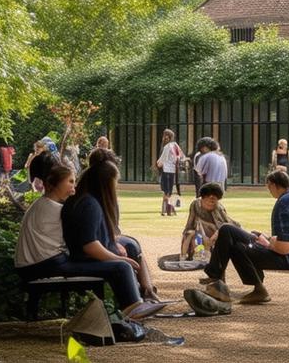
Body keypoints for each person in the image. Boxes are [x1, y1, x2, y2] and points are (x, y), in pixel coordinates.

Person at [18, 165, 165, 320]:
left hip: (36, 264)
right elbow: (87, 243)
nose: (73, 187)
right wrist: (118, 257)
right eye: (70, 181)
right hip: (45, 265)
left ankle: (142, 298)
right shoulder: (59, 209)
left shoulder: (47, 204)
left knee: (128, 248)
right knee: (121, 267)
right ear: (55, 183)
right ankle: (133, 309)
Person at [203, 170, 289, 305]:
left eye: (268, 187)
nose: (269, 190)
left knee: (226, 230)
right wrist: (266, 240)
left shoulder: (283, 204)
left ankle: (215, 279)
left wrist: (267, 243)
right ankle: (256, 288)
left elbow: (284, 249)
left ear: (273, 185)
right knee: (240, 242)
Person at [61, 160, 161, 304]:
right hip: (85, 258)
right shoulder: (89, 205)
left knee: (131, 244)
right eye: (115, 182)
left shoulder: (88, 199)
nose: (116, 186)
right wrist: (118, 258)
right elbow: (90, 246)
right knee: (123, 267)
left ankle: (147, 291)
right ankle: (133, 305)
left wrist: (114, 243)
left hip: (90, 251)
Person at [181, 182, 241, 259]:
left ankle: (210, 254)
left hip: (215, 234)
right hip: (199, 232)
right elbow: (190, 224)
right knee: (191, 234)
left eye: (213, 201)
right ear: (202, 198)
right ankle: (189, 256)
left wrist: (211, 239)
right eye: (207, 201)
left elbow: (225, 226)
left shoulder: (219, 208)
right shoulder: (195, 204)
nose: (210, 204)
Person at [155, 129, 183, 216]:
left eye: (165, 135)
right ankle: (170, 210)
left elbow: (162, 159)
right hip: (173, 171)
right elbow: (180, 156)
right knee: (170, 191)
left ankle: (166, 210)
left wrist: (158, 164)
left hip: (166, 170)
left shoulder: (167, 147)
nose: (163, 138)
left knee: (166, 192)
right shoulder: (175, 145)